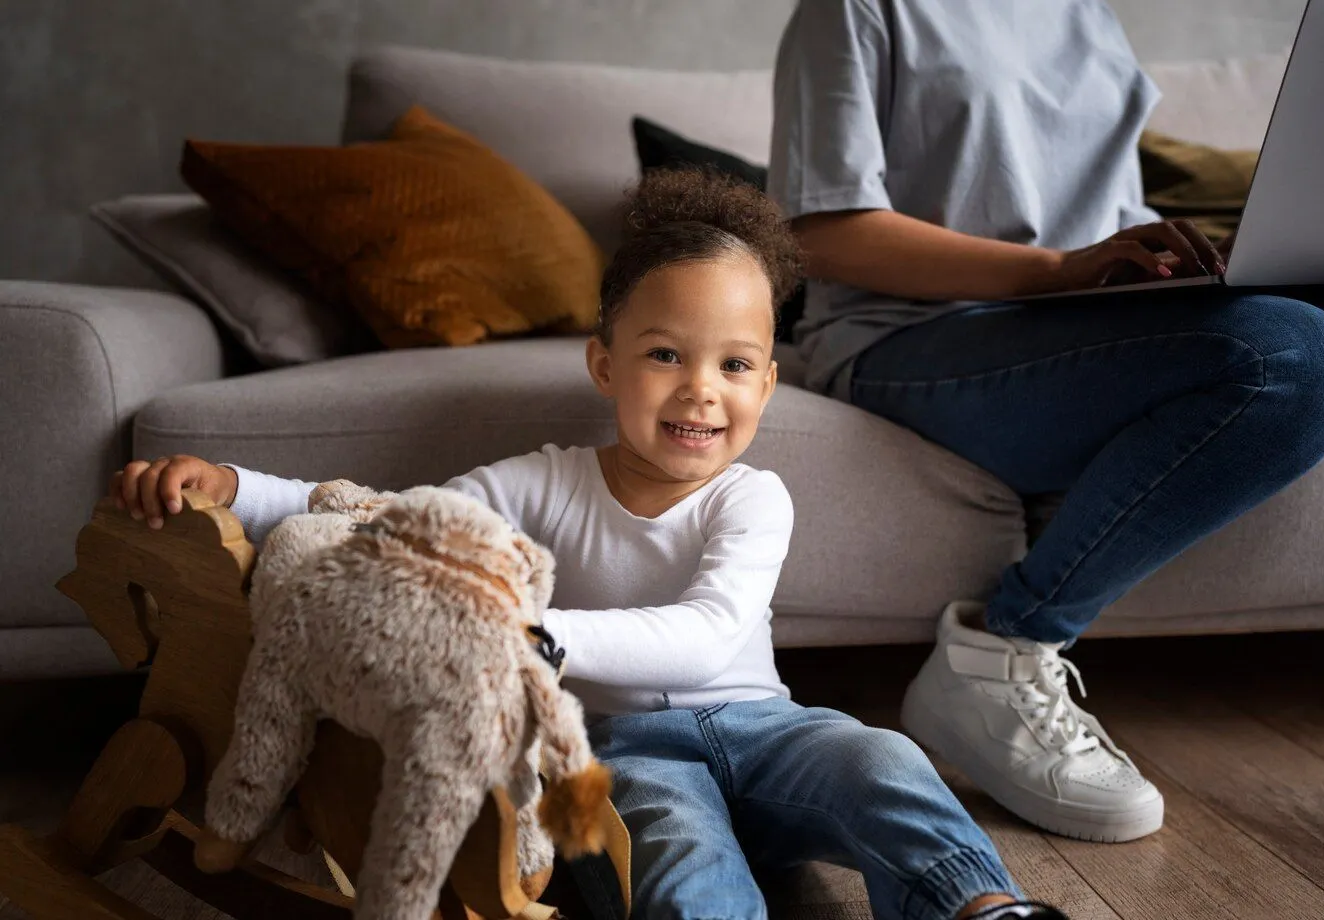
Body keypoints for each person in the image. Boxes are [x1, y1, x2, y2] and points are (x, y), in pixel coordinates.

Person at [109, 169, 1066, 920]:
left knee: (885, 763)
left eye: (734, 365)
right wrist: (242, 489)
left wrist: (534, 631)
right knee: (671, 849)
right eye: (665, 355)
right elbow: (398, 519)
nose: (701, 390)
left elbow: (702, 633)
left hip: (772, 734)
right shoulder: (541, 482)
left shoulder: (754, 498)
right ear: (605, 365)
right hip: (614, 752)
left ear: (767, 387)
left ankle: (979, 905)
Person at [769, 0, 1324, 845]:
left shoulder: (1082, 11)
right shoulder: (861, 9)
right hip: (911, 335)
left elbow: (1103, 215)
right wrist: (1058, 270)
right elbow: (822, 233)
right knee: (1300, 360)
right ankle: (1000, 651)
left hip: (1080, 318)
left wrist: (1166, 268)